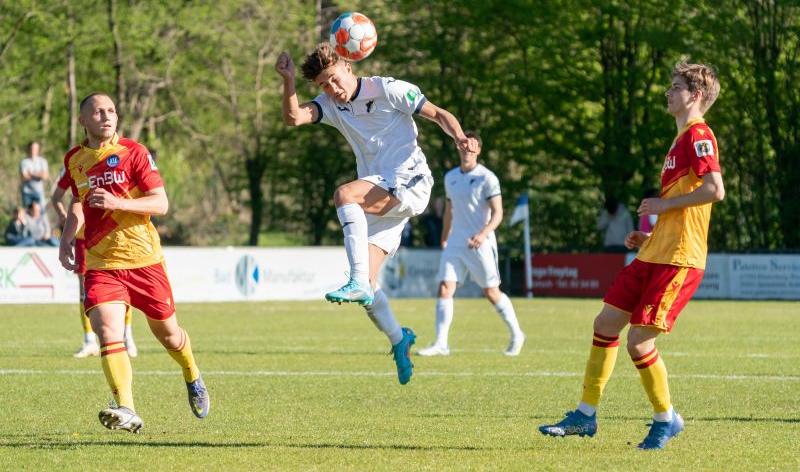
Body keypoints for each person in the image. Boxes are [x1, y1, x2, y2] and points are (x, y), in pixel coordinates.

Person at [539, 61, 725, 450]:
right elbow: (682, 206)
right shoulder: (679, 140)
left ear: (696, 95)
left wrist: (661, 206)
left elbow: (714, 190)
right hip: (658, 252)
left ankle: (665, 419)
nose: (668, 93)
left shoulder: (699, 135)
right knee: (605, 323)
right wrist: (649, 237)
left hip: (680, 259)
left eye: (676, 87)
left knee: (639, 342)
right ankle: (584, 416)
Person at [274, 43, 479, 385]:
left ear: (348, 68)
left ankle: (355, 282)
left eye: (335, 79)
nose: (332, 89)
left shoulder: (387, 89)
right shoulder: (330, 105)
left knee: (344, 195)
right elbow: (293, 117)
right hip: (380, 191)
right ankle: (400, 340)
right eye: (324, 85)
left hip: (409, 181)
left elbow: (440, 113)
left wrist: (459, 137)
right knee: (369, 289)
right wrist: (289, 80)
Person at [58, 93, 209, 433]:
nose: (106, 116)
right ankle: (126, 407)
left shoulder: (134, 152)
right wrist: (67, 237)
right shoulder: (75, 159)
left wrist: (116, 202)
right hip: (101, 262)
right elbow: (80, 203)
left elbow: (161, 203)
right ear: (84, 120)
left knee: (169, 337)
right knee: (107, 330)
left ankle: (191, 372)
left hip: (144, 261)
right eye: (97, 112)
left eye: (111, 110)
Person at [417, 131, 525, 356]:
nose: (467, 150)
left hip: (481, 243)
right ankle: (441, 343)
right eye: (463, 145)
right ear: (458, 147)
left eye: (471, 146)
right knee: (445, 287)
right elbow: (450, 210)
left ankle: (517, 333)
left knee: (491, 292)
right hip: (456, 242)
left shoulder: (488, 178)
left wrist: (483, 233)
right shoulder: (451, 177)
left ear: (478, 150)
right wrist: (445, 237)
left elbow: (498, 213)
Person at [52, 169, 138, 359]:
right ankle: (89, 340)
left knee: (122, 286)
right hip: (84, 237)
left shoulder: (113, 162)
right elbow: (56, 196)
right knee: (84, 291)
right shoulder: (75, 164)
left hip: (113, 233)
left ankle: (127, 337)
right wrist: (65, 220)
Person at [20, 141, 50, 209]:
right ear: (28, 149)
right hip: (27, 192)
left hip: (39, 192)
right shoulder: (24, 162)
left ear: (38, 149)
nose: (33, 150)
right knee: (27, 214)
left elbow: (45, 176)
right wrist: (39, 174)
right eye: (32, 148)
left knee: (42, 213)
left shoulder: (43, 161)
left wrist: (31, 173)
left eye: (35, 148)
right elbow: (24, 177)